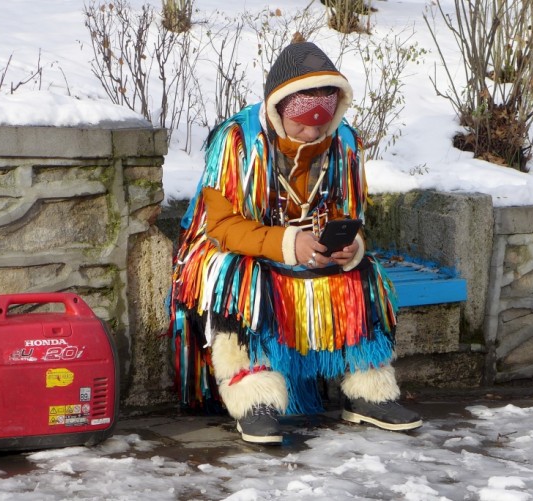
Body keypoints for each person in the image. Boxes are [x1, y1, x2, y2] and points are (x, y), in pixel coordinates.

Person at [168, 41, 422, 444]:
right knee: (241, 277)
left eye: (322, 124)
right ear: (277, 108)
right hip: (238, 249)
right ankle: (254, 399)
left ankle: (369, 392)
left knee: (364, 273)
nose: (312, 133)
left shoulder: (343, 143)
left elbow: (347, 211)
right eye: (302, 124)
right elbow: (220, 226)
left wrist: (349, 245)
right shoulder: (237, 141)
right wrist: (287, 244)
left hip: (309, 248)